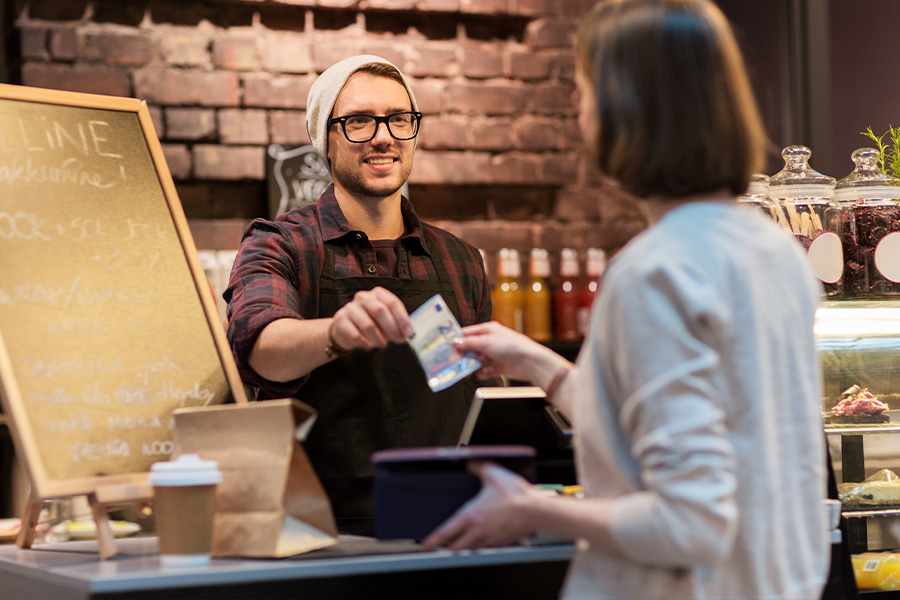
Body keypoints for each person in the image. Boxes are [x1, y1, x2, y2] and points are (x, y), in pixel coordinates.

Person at [422, 1, 830, 598]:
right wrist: (540, 365)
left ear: (625, 109)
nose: (578, 108)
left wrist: (532, 509)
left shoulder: (654, 271)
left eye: (585, 89)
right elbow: (686, 433)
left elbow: (691, 525)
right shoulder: (773, 253)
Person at [224, 55, 492, 536]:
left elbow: (469, 392)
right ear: (324, 140)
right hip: (316, 533)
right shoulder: (280, 242)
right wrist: (336, 331)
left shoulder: (461, 259)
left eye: (398, 119)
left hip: (449, 524)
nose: (383, 136)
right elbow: (258, 349)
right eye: (359, 122)